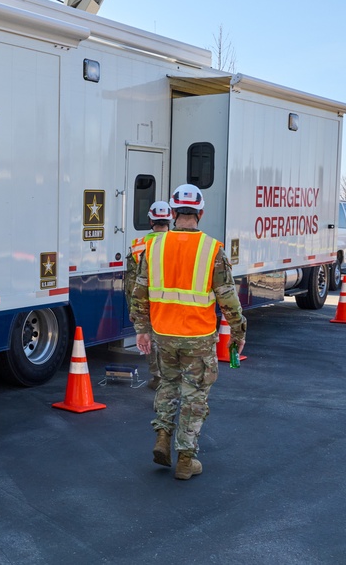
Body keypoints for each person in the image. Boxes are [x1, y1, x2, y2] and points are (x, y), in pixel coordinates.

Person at [131, 184, 246, 480]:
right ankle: (185, 459)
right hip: (198, 336)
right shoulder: (211, 249)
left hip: (163, 334)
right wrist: (238, 331)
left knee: (167, 385)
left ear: (172, 212)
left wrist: (142, 329)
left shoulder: (154, 246)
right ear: (201, 213)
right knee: (194, 395)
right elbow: (227, 298)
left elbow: (139, 291)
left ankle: (162, 437)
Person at [125, 201, 173, 390]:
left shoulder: (139, 246)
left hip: (149, 303)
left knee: (149, 341)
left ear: (151, 220)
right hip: (173, 303)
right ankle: (172, 377)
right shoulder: (178, 244)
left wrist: (133, 310)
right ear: (170, 220)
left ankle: (157, 377)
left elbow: (131, 284)